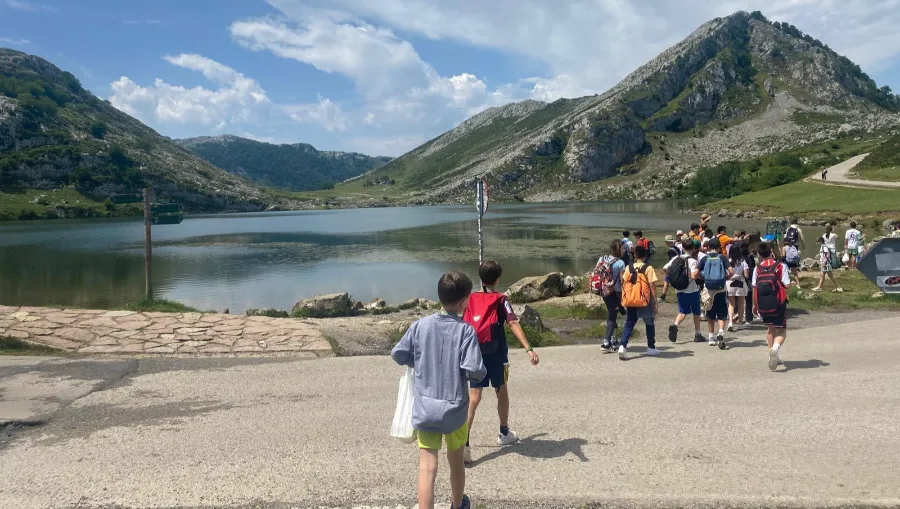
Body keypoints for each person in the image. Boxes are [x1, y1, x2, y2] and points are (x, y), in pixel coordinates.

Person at [391, 272, 486, 509]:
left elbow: (398, 353)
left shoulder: (420, 326)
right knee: (455, 463)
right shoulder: (466, 331)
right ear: (465, 301)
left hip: (425, 407)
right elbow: (474, 369)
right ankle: (457, 504)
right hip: (455, 409)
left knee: (427, 467)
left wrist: (419, 362)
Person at [464, 261, 539, 464]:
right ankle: (504, 432)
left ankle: (464, 442)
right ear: (497, 279)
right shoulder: (501, 299)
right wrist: (528, 348)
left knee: (474, 398)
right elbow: (513, 322)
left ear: (480, 278)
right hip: (496, 354)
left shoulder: (470, 299)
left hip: (475, 353)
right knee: (501, 390)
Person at [752, 242, 791, 371]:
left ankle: (772, 355)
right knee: (781, 331)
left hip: (763, 304)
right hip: (778, 303)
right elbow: (787, 284)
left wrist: (755, 304)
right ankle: (775, 349)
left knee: (770, 329)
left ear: (759, 254)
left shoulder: (757, 268)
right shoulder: (780, 266)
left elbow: (754, 287)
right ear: (771, 251)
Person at [618, 245, 659, 360]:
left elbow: (623, 281)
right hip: (645, 300)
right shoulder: (648, 268)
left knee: (629, 323)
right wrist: (655, 301)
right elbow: (652, 285)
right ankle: (651, 347)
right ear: (645, 256)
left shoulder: (628, 267)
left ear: (635, 255)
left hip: (631, 299)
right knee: (649, 322)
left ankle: (622, 346)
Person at [664, 238, 704, 343]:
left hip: (679, 290)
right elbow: (693, 275)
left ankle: (675, 325)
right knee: (696, 312)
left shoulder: (676, 258)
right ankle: (697, 334)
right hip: (692, 290)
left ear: (683, 247)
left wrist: (673, 277)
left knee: (683, 311)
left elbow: (665, 268)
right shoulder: (692, 261)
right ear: (694, 248)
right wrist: (701, 277)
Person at [698, 238, 733, 349]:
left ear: (708, 247)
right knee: (722, 313)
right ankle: (721, 332)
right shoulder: (722, 258)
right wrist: (725, 278)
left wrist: (704, 278)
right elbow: (731, 272)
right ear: (719, 247)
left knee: (710, 314)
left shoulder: (704, 258)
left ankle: (711, 338)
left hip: (708, 290)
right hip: (721, 289)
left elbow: (695, 273)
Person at [596, 240, 627, 352]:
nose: (624, 250)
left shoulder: (602, 258)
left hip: (603, 291)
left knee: (612, 313)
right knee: (612, 317)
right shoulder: (620, 263)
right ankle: (606, 342)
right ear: (618, 249)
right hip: (615, 293)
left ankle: (614, 341)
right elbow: (622, 281)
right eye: (623, 248)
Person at [726, 243, 750, 332]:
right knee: (741, 304)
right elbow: (746, 275)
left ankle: (730, 322)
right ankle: (740, 323)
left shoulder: (728, 261)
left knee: (731, 304)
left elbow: (727, 273)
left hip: (730, 281)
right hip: (740, 281)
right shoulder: (743, 261)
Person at [658, 235, 681, 303]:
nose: (665, 243)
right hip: (677, 266)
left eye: (666, 242)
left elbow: (673, 260)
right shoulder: (676, 248)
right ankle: (663, 296)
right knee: (667, 281)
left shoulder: (671, 250)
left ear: (668, 242)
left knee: (669, 280)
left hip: (673, 267)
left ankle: (663, 296)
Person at [742, 242, 757, 324]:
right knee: (748, 300)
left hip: (740, 280)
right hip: (749, 280)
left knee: (738, 300)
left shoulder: (739, 258)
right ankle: (749, 318)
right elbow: (753, 268)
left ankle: (736, 316)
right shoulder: (751, 257)